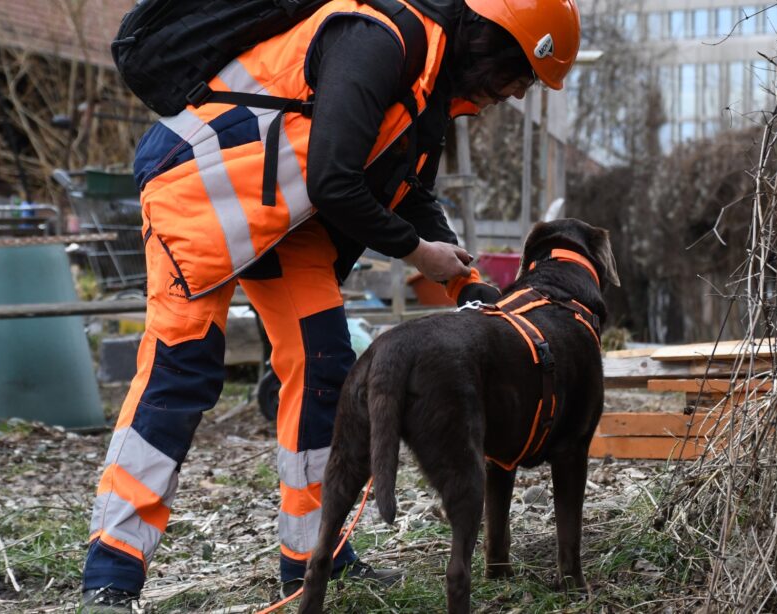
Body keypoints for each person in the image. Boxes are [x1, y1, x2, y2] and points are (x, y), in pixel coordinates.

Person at [81, 0, 580, 609]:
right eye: (521, 77)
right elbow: (334, 182)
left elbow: (407, 192)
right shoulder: (378, 40)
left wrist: (464, 284)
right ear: (495, 45)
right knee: (180, 373)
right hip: (200, 191)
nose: (516, 95)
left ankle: (315, 556)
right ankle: (111, 570)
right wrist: (420, 256)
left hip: (284, 221)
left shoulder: (428, 87)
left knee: (325, 369)